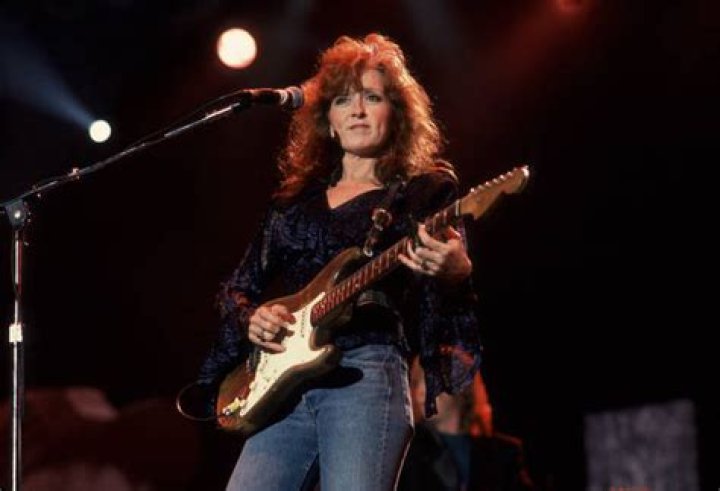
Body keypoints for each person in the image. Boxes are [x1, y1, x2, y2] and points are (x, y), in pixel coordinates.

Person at [195, 33, 482, 491]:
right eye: (344, 100)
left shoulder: (421, 194)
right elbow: (237, 288)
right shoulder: (292, 205)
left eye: (373, 97)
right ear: (326, 120)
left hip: (365, 376)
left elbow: (446, 285)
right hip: (282, 387)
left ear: (397, 114)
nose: (358, 110)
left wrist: (457, 271)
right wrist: (254, 318)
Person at [398, 355, 535, 491]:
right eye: (417, 382)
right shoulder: (406, 449)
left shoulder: (504, 453)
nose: (420, 391)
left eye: (431, 381)